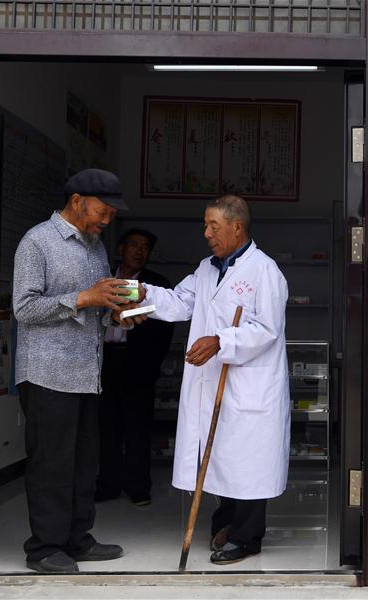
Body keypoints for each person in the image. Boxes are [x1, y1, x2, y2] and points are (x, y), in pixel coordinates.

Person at [136, 194, 290, 565]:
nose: (206, 233)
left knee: (248, 462)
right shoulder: (207, 268)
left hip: (249, 385)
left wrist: (221, 340)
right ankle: (225, 523)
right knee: (219, 456)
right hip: (213, 382)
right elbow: (179, 302)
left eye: (213, 226)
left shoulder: (264, 271)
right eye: (205, 226)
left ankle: (247, 537)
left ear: (237, 227)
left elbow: (266, 329)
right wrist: (141, 295)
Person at [12, 168, 145, 573]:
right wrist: (84, 297)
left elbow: (94, 310)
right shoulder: (37, 242)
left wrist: (116, 318)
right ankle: (44, 549)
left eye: (110, 213)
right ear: (77, 201)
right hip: (47, 374)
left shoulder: (96, 247)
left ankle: (77, 538)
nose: (107, 219)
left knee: (86, 462)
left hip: (88, 372)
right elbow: (24, 309)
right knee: (51, 463)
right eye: (103, 210)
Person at [95, 228, 174, 506]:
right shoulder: (104, 280)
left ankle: (139, 488)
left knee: (138, 428)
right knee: (107, 426)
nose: (139, 251)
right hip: (105, 361)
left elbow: (164, 330)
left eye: (145, 247)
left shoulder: (157, 284)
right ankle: (107, 485)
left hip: (139, 363)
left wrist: (152, 365)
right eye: (134, 245)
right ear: (121, 249)